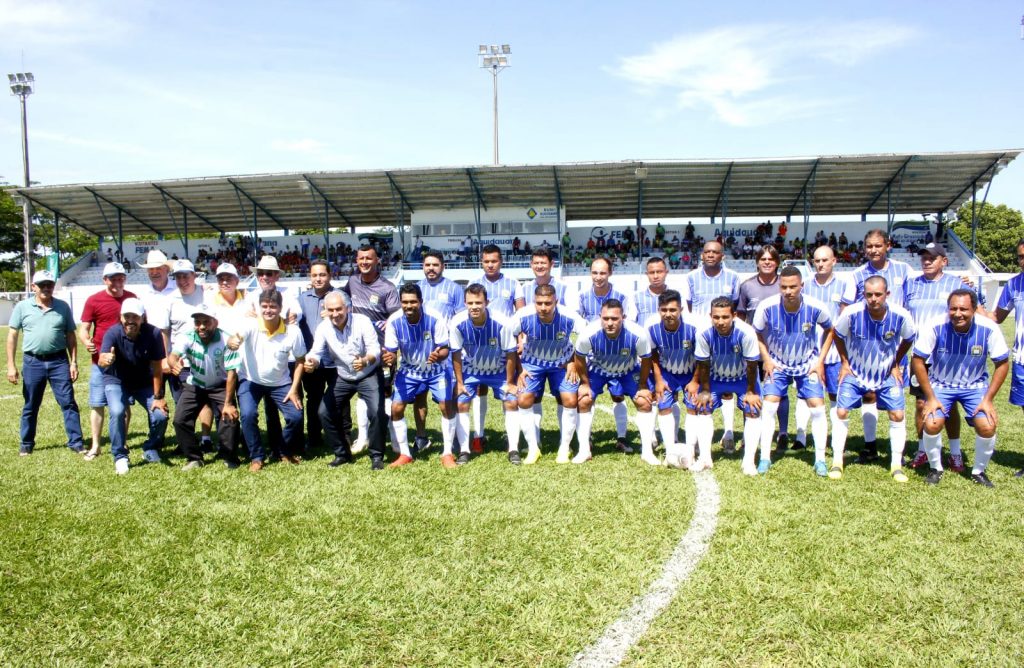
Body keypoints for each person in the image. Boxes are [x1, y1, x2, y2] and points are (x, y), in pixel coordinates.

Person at [904, 242, 986, 472]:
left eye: (932, 257)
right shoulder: (911, 285)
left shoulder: (957, 284)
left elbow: (977, 312)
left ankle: (956, 453)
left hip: (949, 356)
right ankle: (922, 450)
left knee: (949, 406)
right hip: (920, 356)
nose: (927, 261)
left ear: (944, 261)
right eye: (924, 257)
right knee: (921, 404)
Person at [913, 289, 1008, 486]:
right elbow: (918, 359)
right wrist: (930, 397)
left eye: (963, 309)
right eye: (953, 308)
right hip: (940, 384)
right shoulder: (935, 325)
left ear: (974, 309)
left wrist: (988, 400)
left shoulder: (988, 328)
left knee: (987, 426)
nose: (958, 313)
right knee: (931, 423)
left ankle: (978, 472)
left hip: (975, 386)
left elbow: (1003, 363)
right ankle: (935, 468)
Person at [829, 276, 916, 482]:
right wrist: (844, 362)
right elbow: (837, 335)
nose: (873, 299)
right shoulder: (851, 313)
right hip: (855, 372)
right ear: (863, 295)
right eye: (869, 295)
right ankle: (837, 461)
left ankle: (896, 464)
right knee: (841, 411)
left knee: (897, 415)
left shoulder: (900, 315)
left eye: (878, 294)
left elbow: (909, 337)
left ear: (887, 294)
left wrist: (896, 362)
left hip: (886, 373)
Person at [752, 267, 832, 476]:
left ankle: (820, 460)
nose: (788, 291)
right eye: (784, 287)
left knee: (817, 408)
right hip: (777, 364)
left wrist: (820, 361)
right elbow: (758, 332)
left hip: (808, 364)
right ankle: (765, 458)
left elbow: (831, 329)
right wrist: (767, 359)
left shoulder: (815, 306)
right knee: (769, 406)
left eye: (793, 286)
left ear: (801, 286)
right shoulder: (767, 307)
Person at [7, 270, 84, 456]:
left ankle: (76, 442)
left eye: (49, 284)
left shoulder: (63, 307)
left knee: (68, 403)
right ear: (33, 287)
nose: (46, 288)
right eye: (42, 285)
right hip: (33, 362)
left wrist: (73, 362)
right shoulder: (22, 307)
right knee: (31, 404)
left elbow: (70, 336)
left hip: (59, 361)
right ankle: (26, 443)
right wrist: (11, 365)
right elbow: (12, 335)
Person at [305, 291, 385, 470]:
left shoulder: (362, 321)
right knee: (324, 412)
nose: (335, 314)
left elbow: (375, 349)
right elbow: (316, 351)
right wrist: (311, 361)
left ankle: (377, 456)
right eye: (330, 310)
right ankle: (342, 453)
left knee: (377, 413)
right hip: (344, 376)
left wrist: (365, 360)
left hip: (368, 374)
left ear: (347, 308)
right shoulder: (323, 327)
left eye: (338, 309)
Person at [575, 299, 659, 465]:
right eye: (606, 319)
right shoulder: (588, 333)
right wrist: (584, 383)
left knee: (644, 401)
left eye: (615, 319)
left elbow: (646, 358)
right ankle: (584, 449)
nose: (610, 323)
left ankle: (647, 452)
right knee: (584, 400)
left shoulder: (637, 334)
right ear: (600, 317)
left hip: (627, 369)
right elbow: (579, 357)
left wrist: (643, 385)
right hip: (598, 369)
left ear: (624, 318)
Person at [229, 290, 307, 471]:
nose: (268, 310)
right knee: (248, 415)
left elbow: (300, 361)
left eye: (273, 306)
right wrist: (233, 341)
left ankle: (282, 451)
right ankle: (256, 456)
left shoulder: (293, 331)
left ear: (280, 308)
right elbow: (236, 338)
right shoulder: (250, 324)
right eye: (264, 306)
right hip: (251, 381)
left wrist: (294, 389)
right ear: (259, 307)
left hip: (280, 383)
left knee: (295, 417)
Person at [381, 284, 456, 467]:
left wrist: (438, 356)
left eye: (413, 301)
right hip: (409, 371)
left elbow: (445, 349)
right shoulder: (394, 321)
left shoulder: (435, 318)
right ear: (400, 302)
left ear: (420, 301)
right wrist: (389, 358)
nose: (409, 306)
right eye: (405, 302)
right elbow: (390, 352)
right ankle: (405, 454)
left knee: (446, 405)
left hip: (436, 370)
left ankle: (447, 453)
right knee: (396, 408)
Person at [512, 284, 585, 464]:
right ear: (533, 302)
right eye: (539, 303)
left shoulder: (569, 316)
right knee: (523, 399)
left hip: (562, 363)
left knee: (569, 400)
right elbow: (507, 341)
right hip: (531, 363)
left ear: (556, 302)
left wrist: (573, 362)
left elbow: (586, 339)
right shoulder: (522, 316)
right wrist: (519, 368)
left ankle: (564, 446)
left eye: (548, 303)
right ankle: (533, 447)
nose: (543, 308)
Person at [450, 284, 520, 465]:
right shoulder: (457, 322)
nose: (474, 306)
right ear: (464, 303)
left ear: (486, 302)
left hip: (498, 371)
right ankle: (465, 450)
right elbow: (456, 354)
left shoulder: (502, 322)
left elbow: (511, 352)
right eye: (470, 303)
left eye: (478, 302)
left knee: (511, 400)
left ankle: (513, 449)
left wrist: (511, 381)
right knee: (462, 403)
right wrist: (459, 383)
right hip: (471, 371)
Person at [97, 298, 169, 474]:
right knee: (117, 411)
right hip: (116, 380)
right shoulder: (112, 333)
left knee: (160, 415)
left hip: (143, 381)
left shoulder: (153, 333)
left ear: (142, 318)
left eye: (135, 317)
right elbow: (102, 358)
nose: (130, 320)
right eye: (126, 316)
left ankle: (151, 448)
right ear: (121, 317)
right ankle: (120, 456)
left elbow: (158, 368)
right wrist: (105, 360)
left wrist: (158, 398)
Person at [692, 297, 763, 475]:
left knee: (752, 409)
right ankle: (705, 458)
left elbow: (752, 364)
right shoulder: (703, 333)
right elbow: (703, 363)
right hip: (715, 378)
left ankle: (748, 462)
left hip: (742, 378)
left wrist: (751, 391)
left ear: (734, 315)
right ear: (710, 316)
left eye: (725, 317)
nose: (720, 322)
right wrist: (706, 390)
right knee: (703, 407)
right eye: (716, 317)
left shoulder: (746, 332)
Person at [793, 245, 854, 449]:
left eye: (824, 260)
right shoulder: (805, 285)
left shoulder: (844, 285)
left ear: (834, 261)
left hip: (835, 348)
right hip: (808, 348)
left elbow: (844, 318)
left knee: (835, 394)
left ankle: (835, 439)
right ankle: (800, 437)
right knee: (804, 393)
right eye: (817, 260)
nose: (820, 264)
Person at [168, 304, 242, 470]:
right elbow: (173, 356)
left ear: (215, 323)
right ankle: (194, 458)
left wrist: (228, 403)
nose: (201, 326)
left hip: (220, 385)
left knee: (230, 418)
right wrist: (174, 365)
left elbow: (231, 373)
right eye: (197, 322)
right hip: (195, 385)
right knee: (180, 420)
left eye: (206, 322)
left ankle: (229, 456)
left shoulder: (225, 340)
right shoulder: (187, 337)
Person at [77, 262, 137, 461]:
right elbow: (83, 329)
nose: (117, 282)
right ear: (105, 280)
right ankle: (96, 445)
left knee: (123, 405)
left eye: (120, 277)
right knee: (97, 404)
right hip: (99, 363)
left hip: (125, 364)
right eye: (113, 278)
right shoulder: (94, 300)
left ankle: (123, 441)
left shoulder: (132, 298)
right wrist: (87, 342)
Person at [686, 241, 742, 453]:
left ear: (722, 256)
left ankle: (728, 433)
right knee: (701, 384)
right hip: (701, 339)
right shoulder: (691, 277)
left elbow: (735, 306)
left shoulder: (733, 278)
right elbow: (690, 306)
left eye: (715, 252)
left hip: (726, 338)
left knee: (727, 389)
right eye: (707, 251)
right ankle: (700, 439)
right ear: (702, 255)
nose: (710, 255)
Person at [344, 244, 400, 453]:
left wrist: (391, 347)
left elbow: (396, 316)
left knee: (385, 393)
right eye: (361, 259)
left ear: (378, 261)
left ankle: (391, 436)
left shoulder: (387, 288)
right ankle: (363, 437)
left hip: (383, 351)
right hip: (360, 351)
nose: (365, 262)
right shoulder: (352, 282)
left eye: (369, 258)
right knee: (362, 394)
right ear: (357, 261)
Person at [469, 244, 525, 451]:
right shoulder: (474, 282)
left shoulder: (513, 283)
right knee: (479, 387)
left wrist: (521, 338)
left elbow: (520, 313)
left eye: (494, 261)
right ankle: (478, 435)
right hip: (479, 344)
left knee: (508, 388)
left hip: (506, 344)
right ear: (481, 262)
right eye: (486, 261)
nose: (490, 265)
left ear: (501, 262)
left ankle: (511, 440)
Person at [577, 256, 635, 452]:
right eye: (594, 272)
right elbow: (580, 327)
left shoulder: (622, 297)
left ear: (610, 273)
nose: (598, 277)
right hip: (593, 360)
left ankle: (622, 437)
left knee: (618, 397)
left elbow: (629, 324)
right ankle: (587, 438)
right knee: (587, 398)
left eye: (602, 272)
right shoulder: (583, 297)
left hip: (619, 359)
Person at [737, 245, 791, 454]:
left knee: (779, 391)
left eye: (771, 259)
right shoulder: (747, 286)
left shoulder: (784, 284)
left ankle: (783, 433)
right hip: (753, 350)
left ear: (777, 262)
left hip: (779, 351)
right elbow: (740, 317)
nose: (767, 262)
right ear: (757, 262)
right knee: (750, 389)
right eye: (763, 259)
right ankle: (748, 434)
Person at [412, 251, 466, 451]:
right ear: (423, 267)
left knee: (447, 397)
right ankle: (421, 436)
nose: (431, 268)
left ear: (443, 266)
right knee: (420, 395)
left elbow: (460, 318)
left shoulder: (453, 288)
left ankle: (451, 438)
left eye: (435, 264)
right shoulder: (416, 288)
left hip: (445, 350)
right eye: (427, 265)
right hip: (420, 351)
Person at [645, 290, 704, 469]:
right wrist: (658, 379)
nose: (668, 314)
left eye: (672, 310)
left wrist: (694, 381)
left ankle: (691, 449)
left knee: (693, 407)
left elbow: (703, 357)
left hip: (691, 371)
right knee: (663, 406)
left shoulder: (695, 326)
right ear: (658, 310)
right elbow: (652, 354)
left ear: (681, 309)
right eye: (664, 310)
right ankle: (671, 450)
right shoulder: (651, 326)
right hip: (666, 373)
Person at [298, 259, 341, 454]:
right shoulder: (302, 298)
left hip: (335, 359)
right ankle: (314, 437)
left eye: (322, 274)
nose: (318, 278)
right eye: (314, 275)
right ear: (310, 277)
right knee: (313, 399)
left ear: (330, 275)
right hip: (312, 361)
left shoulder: (339, 297)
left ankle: (341, 437)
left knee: (339, 399)